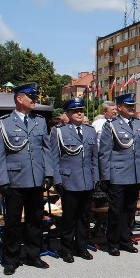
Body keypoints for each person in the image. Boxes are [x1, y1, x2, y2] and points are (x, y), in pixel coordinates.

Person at [0, 82, 54, 275]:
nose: (35, 100)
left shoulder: (40, 121)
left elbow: (46, 150)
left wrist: (49, 173)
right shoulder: (3, 123)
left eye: (35, 98)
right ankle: (11, 258)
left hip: (35, 179)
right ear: (19, 99)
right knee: (13, 222)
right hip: (15, 179)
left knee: (34, 220)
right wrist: (2, 181)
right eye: (31, 97)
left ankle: (33, 255)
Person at [98, 93, 140, 256]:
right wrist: (105, 176)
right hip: (118, 175)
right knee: (116, 210)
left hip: (134, 174)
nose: (132, 108)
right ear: (119, 107)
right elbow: (104, 153)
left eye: (133, 105)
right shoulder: (111, 125)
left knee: (129, 209)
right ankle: (112, 242)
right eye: (128, 106)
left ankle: (125, 239)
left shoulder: (138, 124)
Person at [50, 98, 98, 262]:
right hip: (69, 180)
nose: (79, 113)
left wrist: (96, 178)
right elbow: (54, 158)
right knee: (69, 218)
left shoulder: (90, 131)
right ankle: (66, 249)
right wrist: (57, 180)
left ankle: (82, 247)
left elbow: (94, 158)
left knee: (84, 217)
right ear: (68, 114)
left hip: (87, 180)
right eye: (75, 111)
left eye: (81, 111)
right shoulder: (59, 131)